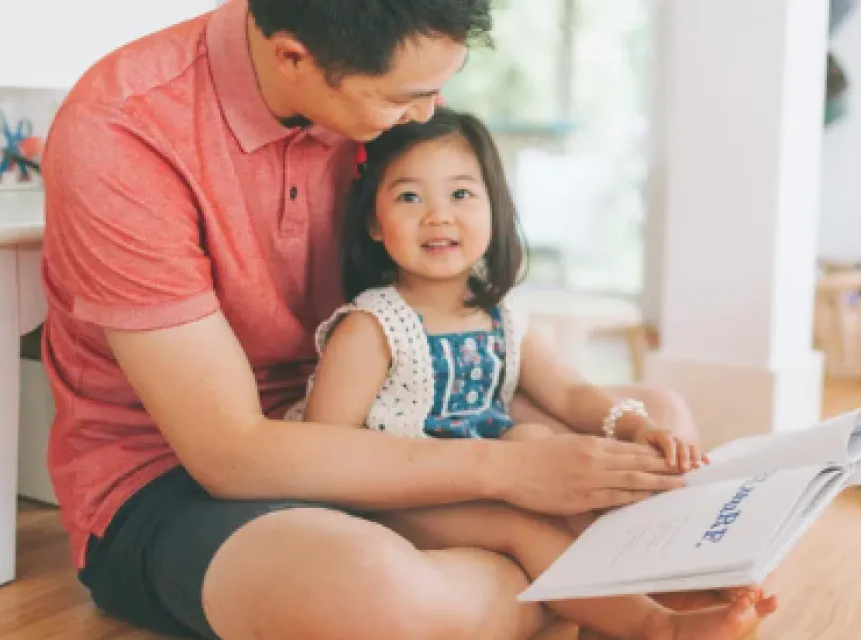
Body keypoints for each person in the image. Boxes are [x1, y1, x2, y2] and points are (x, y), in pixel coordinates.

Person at [41, 1, 703, 638]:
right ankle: (580, 581)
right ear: (293, 57)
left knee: (659, 416)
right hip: (184, 483)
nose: (426, 113)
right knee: (380, 598)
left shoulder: (371, 92)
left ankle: (551, 584)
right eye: (402, 98)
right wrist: (507, 475)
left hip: (396, 424)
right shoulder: (124, 133)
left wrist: (540, 455)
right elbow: (229, 455)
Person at [298, 107, 778, 640]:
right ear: (373, 222)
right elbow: (326, 455)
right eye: (409, 197)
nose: (437, 216)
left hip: (497, 475)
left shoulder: (500, 316)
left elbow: (570, 393)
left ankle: (674, 583)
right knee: (519, 523)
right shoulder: (372, 326)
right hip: (406, 495)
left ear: (495, 210)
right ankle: (653, 626)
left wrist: (636, 427)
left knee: (544, 442)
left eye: (460, 194)